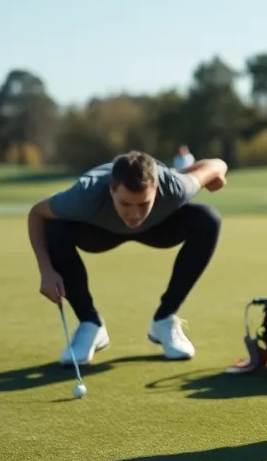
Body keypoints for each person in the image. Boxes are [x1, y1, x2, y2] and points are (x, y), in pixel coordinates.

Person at [26, 150, 227, 365]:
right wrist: (46, 270)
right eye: (125, 204)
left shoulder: (174, 187)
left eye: (143, 204)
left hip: (157, 228)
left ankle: (164, 320)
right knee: (56, 230)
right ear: (111, 190)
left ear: (156, 189)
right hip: (99, 232)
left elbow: (217, 164)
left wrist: (217, 177)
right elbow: (37, 213)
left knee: (208, 219)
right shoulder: (85, 194)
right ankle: (90, 324)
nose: (135, 214)